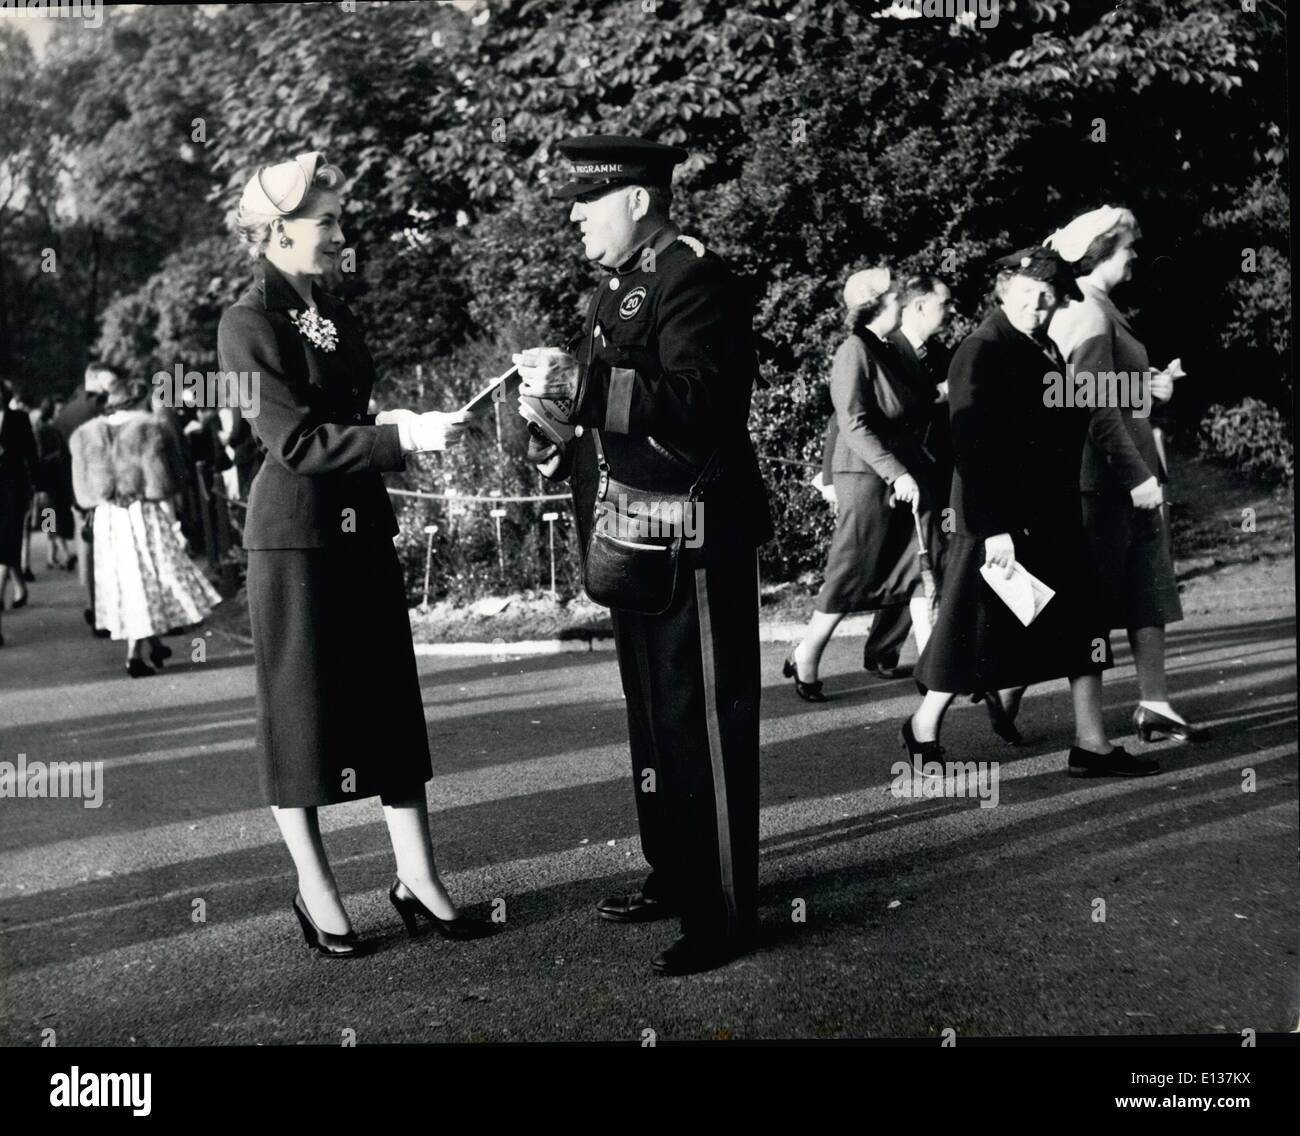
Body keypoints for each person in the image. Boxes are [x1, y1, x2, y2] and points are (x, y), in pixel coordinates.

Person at [217, 150, 489, 956]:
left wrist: (400, 417)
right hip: (294, 536)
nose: (341, 232)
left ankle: (418, 878)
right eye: (326, 219)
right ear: (275, 231)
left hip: (357, 525)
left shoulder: (331, 306)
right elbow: (293, 439)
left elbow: (346, 411)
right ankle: (316, 887)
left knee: (390, 705)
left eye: (338, 217)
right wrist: (401, 436)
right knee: (300, 715)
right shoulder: (245, 321)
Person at [517, 134, 771, 976]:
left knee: (701, 721)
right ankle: (676, 872)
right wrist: (554, 425)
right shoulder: (622, 286)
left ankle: (725, 909)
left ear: (636, 200)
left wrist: (582, 386)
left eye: (588, 204)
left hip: (691, 537)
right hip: (631, 533)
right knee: (655, 720)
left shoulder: (694, 278)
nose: (576, 219)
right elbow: (610, 417)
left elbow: (701, 401)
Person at [905, 246, 1159, 779]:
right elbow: (971, 447)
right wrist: (995, 530)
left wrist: (1142, 387)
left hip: (1051, 514)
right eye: (1029, 296)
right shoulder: (980, 349)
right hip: (998, 521)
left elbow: (1069, 410)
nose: (1039, 306)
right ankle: (924, 724)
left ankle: (1092, 744)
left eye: (1049, 299)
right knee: (972, 630)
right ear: (1004, 292)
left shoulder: (1038, 346)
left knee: (1083, 621)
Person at [1046, 206, 1208, 743]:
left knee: (1147, 589)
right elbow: (1087, 406)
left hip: (1130, 477)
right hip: (1108, 481)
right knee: (1093, 601)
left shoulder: (1100, 308)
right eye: (1128, 248)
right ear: (1103, 253)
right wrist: (1138, 476)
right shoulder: (1087, 314)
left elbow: (1098, 393)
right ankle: (1005, 687)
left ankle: (1154, 704)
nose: (1136, 255)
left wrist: (1148, 387)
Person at [783, 267, 941, 702]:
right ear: (876, 303)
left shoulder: (890, 348)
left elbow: (915, 405)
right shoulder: (853, 350)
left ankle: (933, 668)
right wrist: (898, 472)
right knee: (850, 573)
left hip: (900, 476)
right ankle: (808, 654)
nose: (902, 301)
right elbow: (851, 423)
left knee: (914, 570)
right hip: (868, 478)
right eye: (895, 295)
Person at [818, 273, 954, 681]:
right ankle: (821, 652)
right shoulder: (875, 347)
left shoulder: (931, 351)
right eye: (943, 303)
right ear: (915, 306)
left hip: (920, 466)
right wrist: (828, 476)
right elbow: (844, 419)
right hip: (881, 470)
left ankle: (926, 660)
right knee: (868, 563)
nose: (949, 312)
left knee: (916, 561)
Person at [69, 374, 221, 676]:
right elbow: (160, 486)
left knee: (126, 581)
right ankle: (134, 656)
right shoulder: (149, 429)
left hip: (109, 517)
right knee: (146, 579)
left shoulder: (88, 434)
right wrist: (175, 526)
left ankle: (153, 645)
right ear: (138, 398)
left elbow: (84, 489)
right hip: (141, 514)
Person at [54, 361, 113, 638]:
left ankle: (93, 605)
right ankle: (104, 611)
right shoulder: (98, 409)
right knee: (107, 552)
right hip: (101, 491)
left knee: (88, 551)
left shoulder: (65, 412)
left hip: (76, 491)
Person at [0, 378, 38, 643]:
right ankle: (20, 586)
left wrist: (39, 487)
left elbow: (31, 454)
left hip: (13, 490)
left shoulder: (19, 419)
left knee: (7, 543)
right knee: (5, 546)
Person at [30, 397, 77, 571]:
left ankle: (51, 556)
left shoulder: (44, 429)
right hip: (49, 482)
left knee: (51, 518)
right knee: (51, 519)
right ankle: (65, 553)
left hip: (49, 482)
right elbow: (40, 457)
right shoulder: (45, 430)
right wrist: (57, 456)